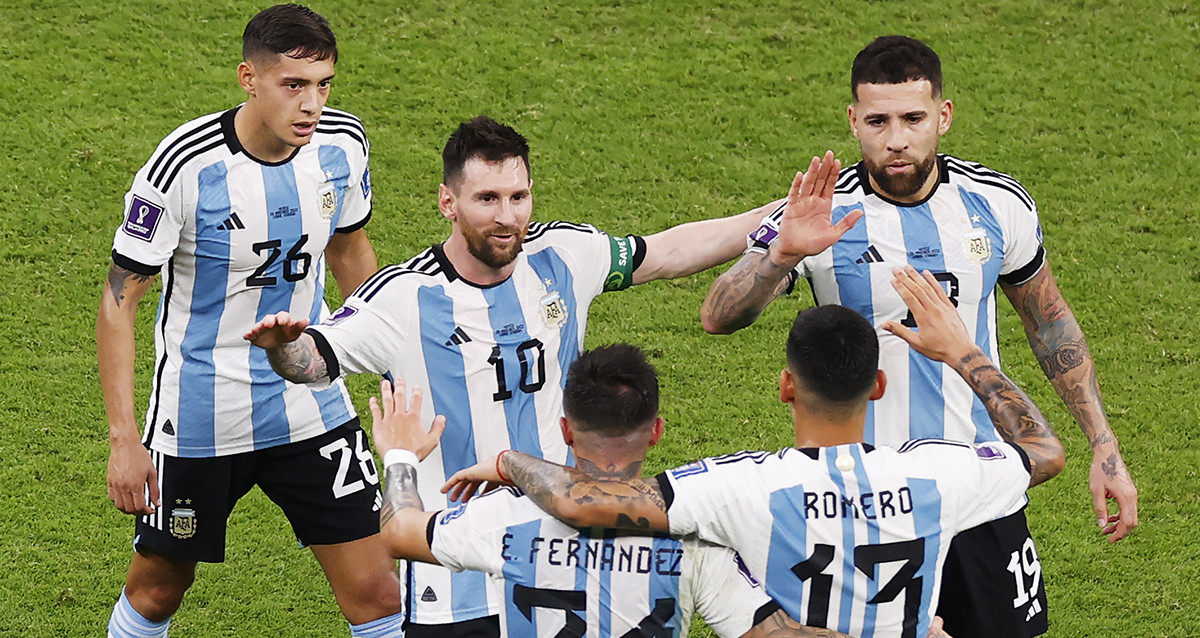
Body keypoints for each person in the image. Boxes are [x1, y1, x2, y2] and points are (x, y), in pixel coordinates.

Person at [244, 115, 776, 637]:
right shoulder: (402, 297)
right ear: (447, 202)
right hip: (452, 581)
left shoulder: (564, 255)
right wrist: (284, 348)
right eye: (487, 200)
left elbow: (668, 252)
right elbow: (313, 361)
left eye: (517, 197)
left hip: (560, 554)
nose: (506, 217)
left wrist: (780, 218)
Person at [698, 35, 1138, 635]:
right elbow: (718, 315)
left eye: (913, 118)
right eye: (877, 121)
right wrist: (780, 256)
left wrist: (1103, 446)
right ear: (853, 121)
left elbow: (1049, 322)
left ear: (944, 117)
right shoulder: (817, 213)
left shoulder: (996, 204)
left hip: (980, 488)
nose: (896, 138)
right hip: (865, 503)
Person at [441, 263, 1065, 638]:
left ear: (786, 385)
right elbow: (1043, 450)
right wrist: (961, 351)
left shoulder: (740, 487)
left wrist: (508, 463)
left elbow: (581, 502)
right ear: (877, 386)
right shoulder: (943, 473)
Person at [98, 5, 402, 637]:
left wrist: (392, 358)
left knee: (379, 590)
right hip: (203, 414)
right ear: (248, 78)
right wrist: (125, 439)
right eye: (294, 85)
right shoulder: (185, 167)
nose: (312, 104)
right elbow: (119, 298)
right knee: (160, 586)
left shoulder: (343, 145)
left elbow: (348, 248)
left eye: (323, 84)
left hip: (311, 400)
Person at [367, 344, 838, 638]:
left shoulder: (503, 518)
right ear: (656, 431)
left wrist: (401, 456)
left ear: (566, 430)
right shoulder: (694, 542)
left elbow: (400, 530)